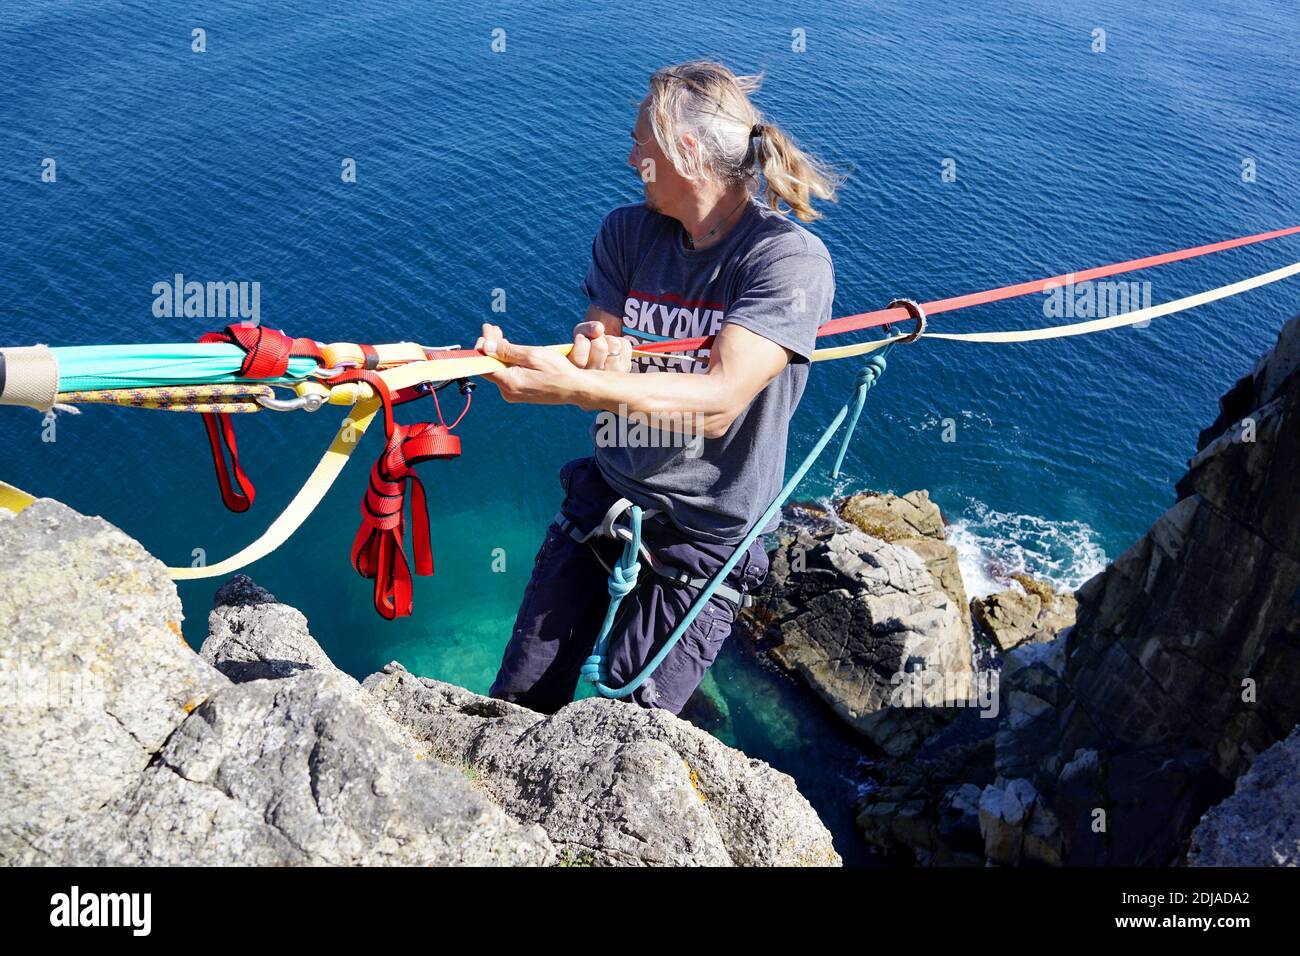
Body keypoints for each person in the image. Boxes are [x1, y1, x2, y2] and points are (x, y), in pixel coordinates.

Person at [478, 60, 841, 715]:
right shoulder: (626, 233)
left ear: (687, 153)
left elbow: (720, 402)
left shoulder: (786, 260)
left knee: (630, 724)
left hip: (707, 535)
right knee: (519, 698)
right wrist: (578, 355)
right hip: (610, 497)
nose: (630, 156)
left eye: (641, 142)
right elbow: (598, 335)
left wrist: (577, 391)